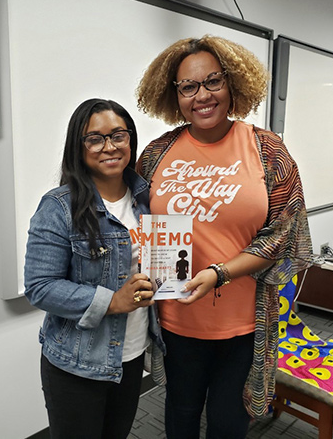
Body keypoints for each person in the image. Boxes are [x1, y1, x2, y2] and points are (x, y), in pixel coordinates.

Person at [135, 35, 314, 439]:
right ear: (174, 95)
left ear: (233, 84)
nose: (202, 95)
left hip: (244, 324)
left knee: (228, 423)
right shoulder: (155, 154)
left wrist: (219, 273)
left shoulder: (267, 151)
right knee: (180, 416)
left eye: (213, 81)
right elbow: (130, 220)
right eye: (188, 87)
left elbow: (283, 235)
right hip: (176, 320)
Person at [23, 98, 165, 439]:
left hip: (131, 354)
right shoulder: (59, 206)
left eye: (119, 135)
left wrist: (164, 282)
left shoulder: (147, 199)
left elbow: (157, 262)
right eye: (95, 138)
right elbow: (40, 286)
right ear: (79, 146)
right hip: (77, 363)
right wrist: (113, 301)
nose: (109, 147)